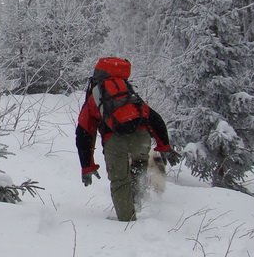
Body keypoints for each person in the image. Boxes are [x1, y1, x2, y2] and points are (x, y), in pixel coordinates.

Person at [76, 57, 179, 221]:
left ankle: (127, 223)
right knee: (139, 167)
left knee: (120, 182)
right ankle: (136, 203)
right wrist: (164, 147)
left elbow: (84, 133)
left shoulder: (96, 97)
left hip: (115, 141)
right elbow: (155, 119)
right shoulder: (129, 94)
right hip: (142, 139)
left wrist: (87, 167)